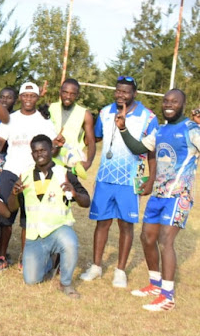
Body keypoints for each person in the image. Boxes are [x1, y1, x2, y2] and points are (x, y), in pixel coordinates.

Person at [116, 90, 200, 311]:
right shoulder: (160, 130)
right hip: (158, 195)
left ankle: (168, 297)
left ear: (183, 104)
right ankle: (155, 284)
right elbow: (138, 148)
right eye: (166, 101)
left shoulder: (192, 129)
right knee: (147, 238)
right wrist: (123, 128)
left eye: (175, 102)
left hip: (178, 196)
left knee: (165, 240)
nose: (169, 105)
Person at [80, 76, 158, 288]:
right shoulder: (105, 112)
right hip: (105, 177)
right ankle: (96, 266)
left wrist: (150, 179)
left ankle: (120, 271)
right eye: (118, 91)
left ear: (134, 93)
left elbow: (152, 151)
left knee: (126, 224)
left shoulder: (148, 117)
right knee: (102, 222)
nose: (121, 95)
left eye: (126, 92)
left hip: (131, 180)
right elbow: (93, 137)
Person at [8, 135, 91, 298]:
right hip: (35, 236)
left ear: (52, 151)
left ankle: (66, 283)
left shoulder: (64, 173)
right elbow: (11, 208)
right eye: (35, 151)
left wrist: (74, 193)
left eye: (43, 150)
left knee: (70, 243)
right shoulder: (24, 175)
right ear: (32, 154)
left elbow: (86, 201)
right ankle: (51, 262)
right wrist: (13, 194)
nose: (39, 154)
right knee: (31, 280)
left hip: (58, 229)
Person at [0, 82, 59, 271]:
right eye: (25, 96)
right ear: (20, 97)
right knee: (6, 216)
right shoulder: (10, 118)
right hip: (10, 172)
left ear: (37, 98)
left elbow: (53, 148)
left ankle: (26, 257)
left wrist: (58, 145)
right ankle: (1, 255)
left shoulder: (44, 122)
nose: (28, 99)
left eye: (32, 96)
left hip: (32, 175)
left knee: (29, 218)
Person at [49, 78, 96, 174]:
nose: (68, 96)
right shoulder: (50, 108)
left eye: (72, 94)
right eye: (65, 92)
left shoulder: (85, 114)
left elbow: (91, 141)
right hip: (50, 159)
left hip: (71, 163)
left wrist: (89, 162)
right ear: (60, 92)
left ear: (77, 95)